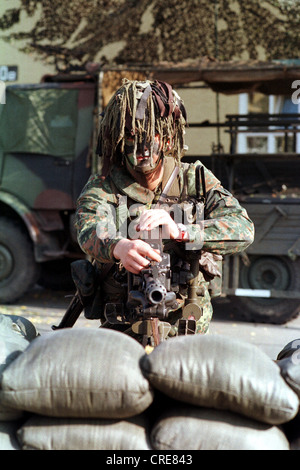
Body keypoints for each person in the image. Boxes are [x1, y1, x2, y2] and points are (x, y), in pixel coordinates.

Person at [75, 78, 254, 336]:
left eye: (151, 136)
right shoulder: (103, 185)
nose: (142, 147)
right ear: (118, 139)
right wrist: (119, 247)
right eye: (132, 135)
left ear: (168, 138)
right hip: (122, 328)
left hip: (186, 330)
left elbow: (243, 228)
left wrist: (183, 231)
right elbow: (87, 227)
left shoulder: (196, 180)